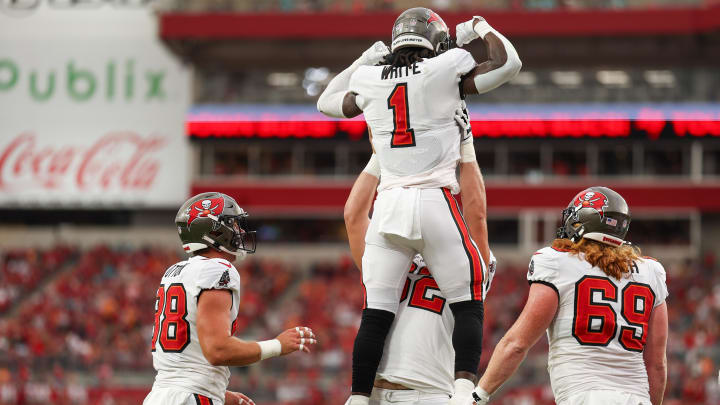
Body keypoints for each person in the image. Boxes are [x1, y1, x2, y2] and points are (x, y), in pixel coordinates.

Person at [317, 7, 520, 405]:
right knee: (469, 299)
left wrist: (363, 60)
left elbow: (326, 102)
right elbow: (508, 63)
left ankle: (357, 397)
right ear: (436, 41)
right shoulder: (445, 67)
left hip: (389, 202)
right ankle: (464, 390)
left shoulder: (370, 78)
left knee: (375, 311)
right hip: (434, 200)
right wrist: (480, 26)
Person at [469, 187, 668, 405]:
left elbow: (517, 344)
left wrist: (479, 394)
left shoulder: (556, 261)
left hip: (584, 397)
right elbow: (656, 364)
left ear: (583, 220)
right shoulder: (651, 271)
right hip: (637, 399)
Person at [344, 139, 498, 405]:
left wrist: (465, 150)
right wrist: (382, 155)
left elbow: (476, 214)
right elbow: (354, 215)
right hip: (375, 393)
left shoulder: (471, 259)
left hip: (429, 393)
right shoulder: (389, 253)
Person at [143, 192, 317, 405]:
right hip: (190, 398)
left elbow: (184, 359)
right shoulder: (218, 269)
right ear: (214, 230)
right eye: (233, 224)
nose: (240, 231)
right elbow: (217, 349)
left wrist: (218, 393)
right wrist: (277, 346)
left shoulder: (175, 271)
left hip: (161, 396)